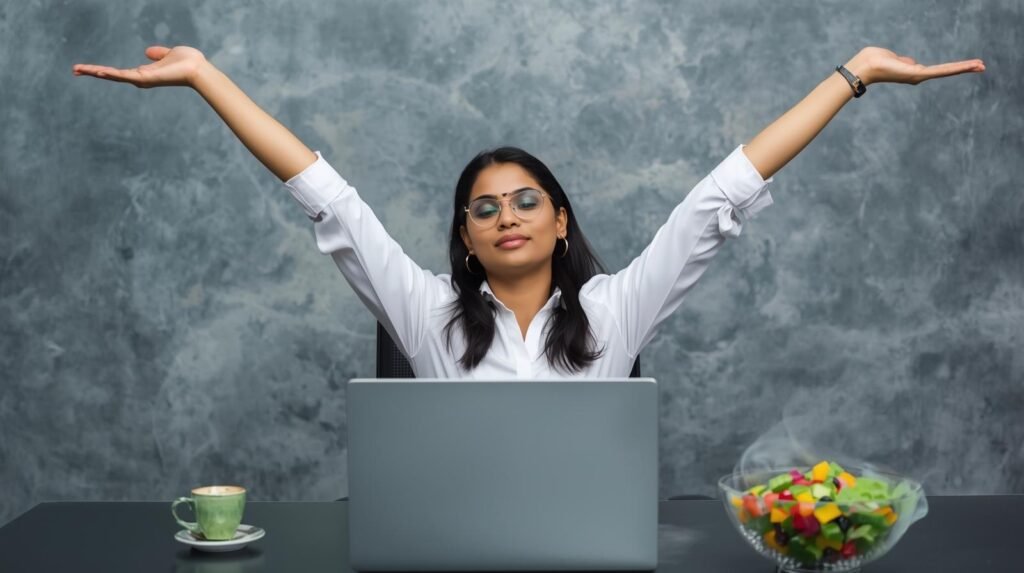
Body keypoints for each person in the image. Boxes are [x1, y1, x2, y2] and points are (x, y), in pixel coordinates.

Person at [72, 45, 984, 378]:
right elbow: (326, 193)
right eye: (482, 208)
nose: (505, 215)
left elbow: (724, 189)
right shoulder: (423, 310)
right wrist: (204, 78)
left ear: (558, 220)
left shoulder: (616, 309)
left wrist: (854, 74)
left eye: (525, 201)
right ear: (464, 237)